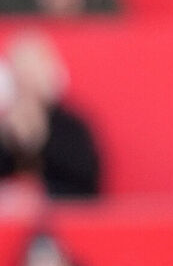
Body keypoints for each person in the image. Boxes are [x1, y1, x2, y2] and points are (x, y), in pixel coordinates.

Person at [0, 34, 102, 197]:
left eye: (33, 71)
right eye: (21, 72)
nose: (28, 81)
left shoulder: (71, 127)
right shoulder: (5, 128)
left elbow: (86, 186)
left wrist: (41, 193)